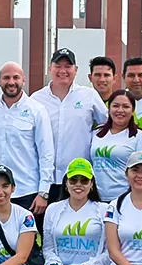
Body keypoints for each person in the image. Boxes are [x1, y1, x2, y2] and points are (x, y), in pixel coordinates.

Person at [40, 158, 107, 265]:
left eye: (84, 180)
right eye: (73, 180)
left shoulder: (103, 210)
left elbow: (110, 250)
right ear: (66, 183)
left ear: (91, 184)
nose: (78, 185)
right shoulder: (53, 209)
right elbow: (48, 248)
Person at [0, 62, 55, 214]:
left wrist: (43, 192)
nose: (11, 82)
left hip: (26, 191)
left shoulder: (37, 110)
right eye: (6, 78)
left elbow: (46, 153)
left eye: (16, 77)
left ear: (23, 80)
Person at [34, 48, 104, 199]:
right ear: (50, 68)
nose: (63, 71)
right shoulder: (36, 99)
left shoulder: (89, 96)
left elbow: (107, 126)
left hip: (78, 179)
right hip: (44, 180)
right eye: (58, 66)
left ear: (76, 70)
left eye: (68, 66)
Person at [90, 91, 142, 201]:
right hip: (96, 198)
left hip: (124, 198)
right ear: (109, 109)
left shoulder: (141, 136)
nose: (120, 110)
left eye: (126, 106)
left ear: (133, 111)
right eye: (115, 106)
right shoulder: (96, 133)